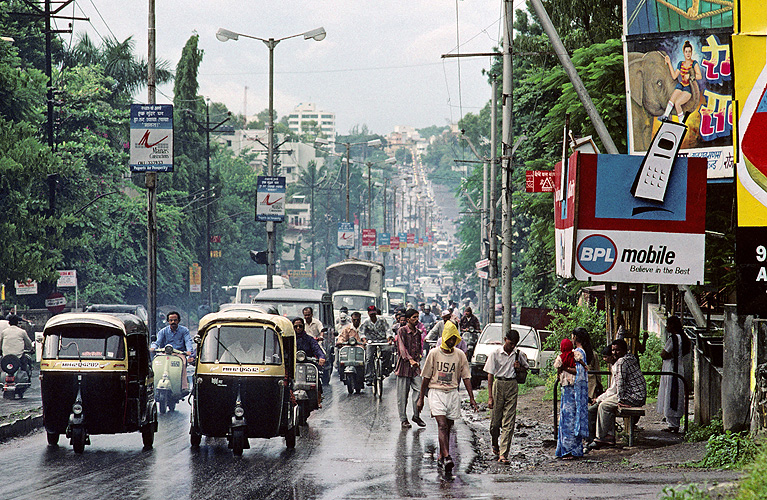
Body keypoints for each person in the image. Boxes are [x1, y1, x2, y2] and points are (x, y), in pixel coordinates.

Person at [417, 321, 478, 475]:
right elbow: (425, 378)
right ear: (444, 338)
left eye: (454, 339)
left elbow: (466, 378)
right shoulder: (434, 353)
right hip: (436, 391)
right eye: (449, 339)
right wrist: (420, 399)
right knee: (442, 425)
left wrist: (472, 398)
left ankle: (441, 455)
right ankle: (447, 456)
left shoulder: (460, 355)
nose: (451, 342)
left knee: (448, 426)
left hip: (452, 392)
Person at [483, 329, 529, 464]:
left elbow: (526, 368)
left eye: (514, 344)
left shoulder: (518, 354)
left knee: (509, 422)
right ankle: (495, 442)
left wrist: (519, 367)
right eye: (510, 343)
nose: (512, 346)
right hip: (499, 385)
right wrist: (490, 396)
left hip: (512, 386)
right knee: (495, 422)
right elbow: (490, 375)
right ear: (505, 339)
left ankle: (503, 454)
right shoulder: (495, 354)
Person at [590, 339, 646, 448]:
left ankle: (602, 437)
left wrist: (621, 400)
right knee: (606, 403)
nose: (615, 353)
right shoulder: (630, 358)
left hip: (632, 396)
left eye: (618, 350)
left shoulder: (621, 362)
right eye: (613, 350)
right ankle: (608, 435)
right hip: (636, 394)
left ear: (624, 350)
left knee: (604, 406)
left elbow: (620, 383)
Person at [554, 338, 589, 458]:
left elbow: (560, 369)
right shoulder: (576, 355)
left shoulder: (562, 357)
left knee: (568, 420)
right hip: (571, 391)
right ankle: (572, 449)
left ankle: (568, 450)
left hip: (568, 391)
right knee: (571, 420)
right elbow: (580, 368)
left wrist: (563, 370)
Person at [657, 315, 691, 432]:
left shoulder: (673, 339)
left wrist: (667, 355)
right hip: (678, 367)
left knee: (671, 393)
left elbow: (664, 354)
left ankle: (672, 423)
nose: (666, 327)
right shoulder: (683, 338)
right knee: (676, 394)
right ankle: (674, 422)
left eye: (668, 324)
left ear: (672, 326)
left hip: (671, 368)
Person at [395, 309, 425, 429]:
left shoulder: (418, 333)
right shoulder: (401, 331)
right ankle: (403, 419)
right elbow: (402, 348)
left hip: (415, 368)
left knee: (419, 390)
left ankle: (416, 415)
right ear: (408, 320)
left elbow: (419, 349)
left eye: (417, 317)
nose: (416, 320)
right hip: (404, 367)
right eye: (414, 317)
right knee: (402, 396)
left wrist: (417, 361)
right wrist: (409, 359)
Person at [151, 311, 195, 391]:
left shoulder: (184, 331)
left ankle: (183, 387)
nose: (173, 322)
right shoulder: (163, 331)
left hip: (179, 354)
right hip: (165, 354)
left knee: (183, 363)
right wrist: (153, 348)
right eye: (171, 320)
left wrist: (189, 352)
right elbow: (157, 342)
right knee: (156, 364)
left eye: (175, 320)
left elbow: (188, 341)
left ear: (178, 321)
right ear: (168, 321)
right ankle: (154, 384)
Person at [661, 40, 702, 123]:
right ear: (683, 52)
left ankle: (681, 122)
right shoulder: (681, 64)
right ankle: (665, 116)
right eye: (686, 52)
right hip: (681, 85)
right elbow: (674, 76)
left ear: (691, 52)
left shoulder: (694, 63)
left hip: (689, 87)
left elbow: (699, 76)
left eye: (689, 52)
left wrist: (690, 76)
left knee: (677, 103)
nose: (688, 54)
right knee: (672, 99)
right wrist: (669, 63)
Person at [293, 317, 326, 407]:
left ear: (303, 327)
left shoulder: (309, 339)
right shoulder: (289, 339)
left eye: (300, 326)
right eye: (296, 327)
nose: (298, 328)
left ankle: (318, 399)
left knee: (317, 376)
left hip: (308, 364)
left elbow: (318, 350)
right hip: (293, 365)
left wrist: (321, 357)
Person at [588, 346, 617, 444]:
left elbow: (613, 390)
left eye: (606, 357)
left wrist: (598, 399)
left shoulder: (618, 367)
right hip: (613, 394)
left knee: (594, 409)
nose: (604, 359)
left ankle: (600, 436)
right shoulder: (615, 366)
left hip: (617, 395)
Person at [360, 305, 393, 384]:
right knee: (369, 358)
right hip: (371, 342)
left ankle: (385, 369)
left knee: (388, 351)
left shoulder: (382, 320)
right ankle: (368, 377)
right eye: (371, 314)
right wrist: (364, 340)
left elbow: (387, 329)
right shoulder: (366, 322)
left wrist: (389, 338)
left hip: (382, 340)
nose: (373, 316)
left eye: (374, 314)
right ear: (368, 314)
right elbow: (362, 333)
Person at [573, 328, 602, 401]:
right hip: (591, 384)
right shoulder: (592, 354)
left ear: (575, 337)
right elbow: (598, 371)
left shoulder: (575, 354)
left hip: (580, 385)